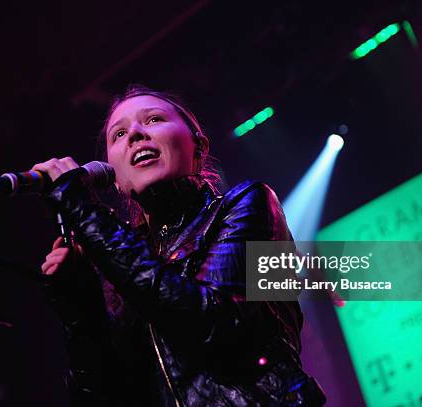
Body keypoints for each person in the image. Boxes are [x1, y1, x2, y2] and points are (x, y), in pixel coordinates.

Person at [34, 85, 326, 406]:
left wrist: (87, 214)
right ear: (113, 177)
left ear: (198, 146)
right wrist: (81, 310)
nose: (134, 134)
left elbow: (215, 323)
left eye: (154, 119)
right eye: (118, 135)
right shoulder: (119, 265)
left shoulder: (249, 205)